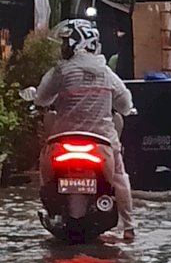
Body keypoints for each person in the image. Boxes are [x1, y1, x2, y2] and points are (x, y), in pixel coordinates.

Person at [34, 19, 136, 241]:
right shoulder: (107, 73)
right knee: (119, 176)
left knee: (43, 165)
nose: (63, 47)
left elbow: (42, 98)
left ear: (76, 44)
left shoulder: (61, 71)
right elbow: (125, 104)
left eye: (66, 42)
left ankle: (51, 207)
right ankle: (129, 228)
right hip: (102, 143)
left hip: (62, 141)